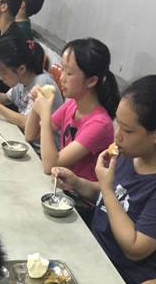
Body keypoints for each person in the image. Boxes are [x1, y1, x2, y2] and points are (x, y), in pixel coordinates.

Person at [52, 74, 156, 284]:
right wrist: (77, 182)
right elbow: (114, 199)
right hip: (92, 252)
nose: (117, 136)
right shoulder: (133, 153)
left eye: (128, 130)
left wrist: (106, 188)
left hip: (122, 281)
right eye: (118, 123)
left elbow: (134, 248)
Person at [26, 37, 118, 180]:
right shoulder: (72, 105)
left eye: (69, 73)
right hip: (61, 184)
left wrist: (44, 114)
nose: (62, 78)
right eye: (62, 69)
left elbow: (49, 165)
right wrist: (36, 103)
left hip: (78, 193)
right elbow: (30, 135)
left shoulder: (100, 124)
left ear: (91, 81)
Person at [0, 37, 62, 131]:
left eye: (4, 72)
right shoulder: (22, 77)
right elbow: (7, 98)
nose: (0, 77)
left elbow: (26, 123)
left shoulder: (42, 84)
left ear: (21, 69)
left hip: (39, 140)